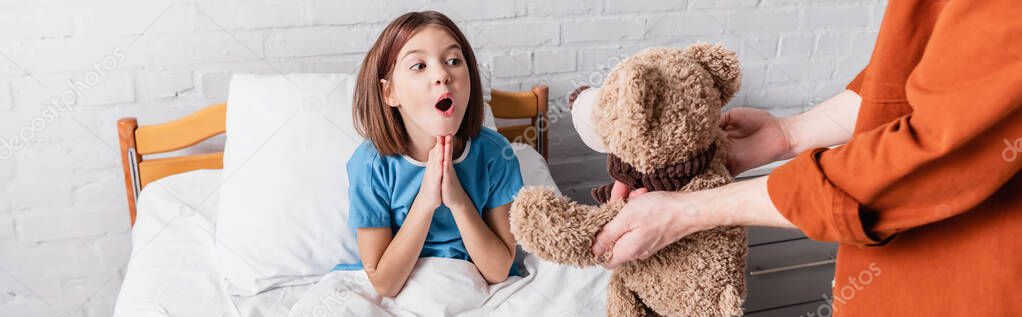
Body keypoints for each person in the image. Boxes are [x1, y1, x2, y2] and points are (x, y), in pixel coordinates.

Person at [590, 0, 1022, 315]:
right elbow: (917, 74)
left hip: (971, 282)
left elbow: (926, 161)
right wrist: (788, 133)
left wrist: (692, 211)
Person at [343, 11, 523, 298]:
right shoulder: (370, 165)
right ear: (389, 93)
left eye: (453, 61)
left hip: (473, 289)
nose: (442, 75)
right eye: (419, 66)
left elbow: (499, 270)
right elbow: (384, 283)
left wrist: (458, 201)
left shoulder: (495, 153)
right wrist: (427, 200)